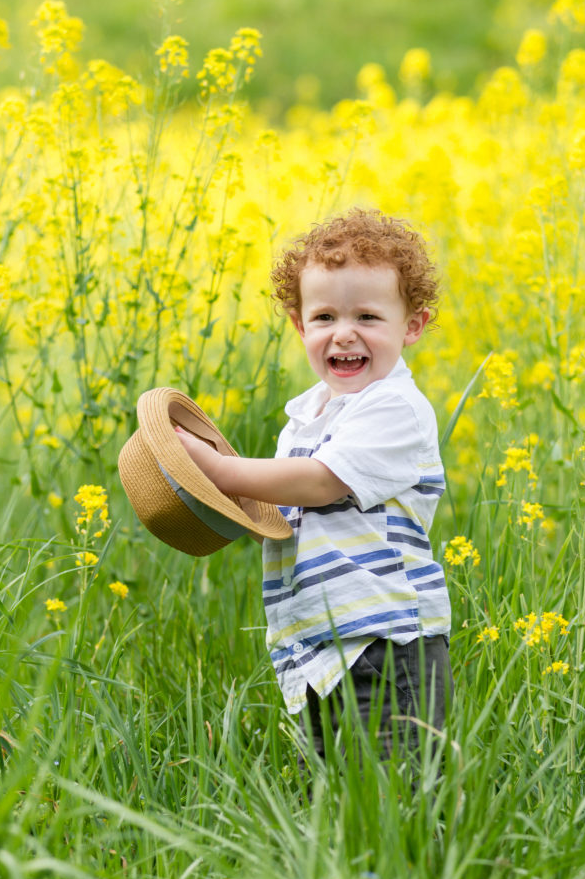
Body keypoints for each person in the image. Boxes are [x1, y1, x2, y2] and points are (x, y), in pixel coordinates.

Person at [175, 208, 452, 775]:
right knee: (330, 797)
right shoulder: (307, 419)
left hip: (387, 644)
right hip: (321, 650)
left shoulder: (395, 407)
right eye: (324, 315)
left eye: (368, 316)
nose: (344, 332)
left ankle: (410, 865)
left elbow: (322, 483)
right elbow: (281, 517)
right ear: (300, 326)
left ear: (413, 326)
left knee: (392, 798)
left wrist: (220, 470)